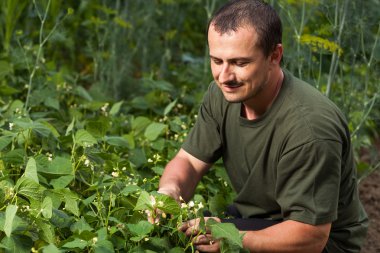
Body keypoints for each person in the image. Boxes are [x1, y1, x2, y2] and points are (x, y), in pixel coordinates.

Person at [157, 0, 369, 252]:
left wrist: (231, 237)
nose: (224, 76)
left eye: (240, 63)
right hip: (260, 220)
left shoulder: (309, 128)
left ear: (274, 56)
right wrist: (169, 191)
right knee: (180, 237)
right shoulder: (221, 94)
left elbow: (310, 237)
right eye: (216, 60)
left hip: (319, 242)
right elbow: (190, 162)